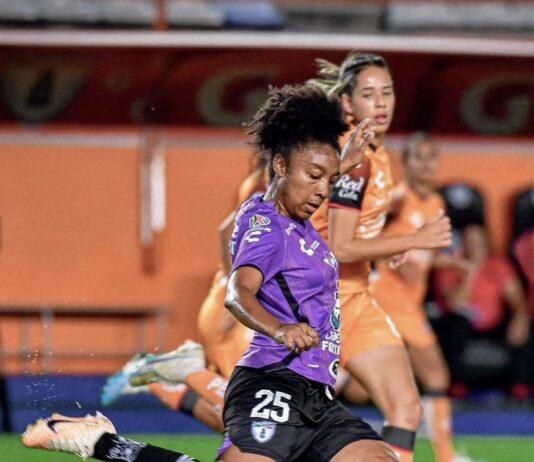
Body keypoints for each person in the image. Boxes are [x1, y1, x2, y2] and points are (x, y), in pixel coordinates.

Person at [22, 84, 395, 462]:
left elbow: (310, 177)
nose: (321, 191)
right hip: (274, 382)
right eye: (314, 176)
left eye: (329, 180)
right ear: (281, 166)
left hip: (318, 395)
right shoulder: (269, 229)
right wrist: (281, 329)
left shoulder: (291, 214)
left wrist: (342, 162)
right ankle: (102, 443)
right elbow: (239, 292)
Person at [308, 53, 452, 462]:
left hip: (357, 298)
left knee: (406, 408)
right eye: (369, 94)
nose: (381, 102)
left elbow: (359, 234)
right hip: (317, 303)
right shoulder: (355, 160)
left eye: (387, 92)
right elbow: (339, 247)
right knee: (288, 430)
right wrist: (416, 239)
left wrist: (391, 247)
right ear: (348, 103)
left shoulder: (378, 152)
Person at [370, 133, 470, 462]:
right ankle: (446, 457)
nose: (427, 165)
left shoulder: (435, 203)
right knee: (436, 376)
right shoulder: (397, 200)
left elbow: (424, 253)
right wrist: (398, 258)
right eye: (419, 158)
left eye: (432, 157)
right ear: (407, 164)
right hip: (389, 297)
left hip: (408, 302)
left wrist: (447, 262)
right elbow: (367, 238)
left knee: (353, 379)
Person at [433, 224, 531, 398]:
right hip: (463, 324)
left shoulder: (498, 265)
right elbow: (455, 304)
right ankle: (457, 385)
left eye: (478, 241)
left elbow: (517, 299)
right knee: (457, 326)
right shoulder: (450, 264)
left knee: (524, 323)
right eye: (469, 241)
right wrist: (471, 271)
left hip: (493, 324)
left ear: (486, 242)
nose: (475, 245)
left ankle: (520, 385)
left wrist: (520, 318)